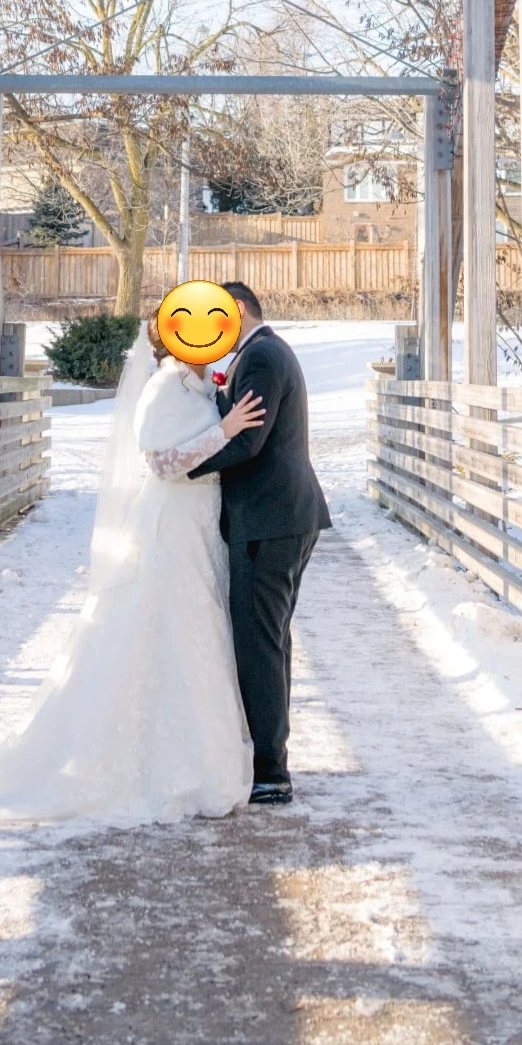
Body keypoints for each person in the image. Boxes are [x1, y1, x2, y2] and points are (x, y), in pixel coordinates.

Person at [0, 315, 267, 824]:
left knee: (197, 633)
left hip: (200, 524)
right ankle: (160, 768)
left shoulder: (201, 385)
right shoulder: (163, 389)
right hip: (170, 525)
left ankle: (198, 759)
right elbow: (162, 463)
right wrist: (224, 431)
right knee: (169, 628)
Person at [187, 282, 332, 805]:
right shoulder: (262, 353)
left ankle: (271, 772)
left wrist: (182, 465)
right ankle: (269, 760)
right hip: (278, 516)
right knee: (270, 640)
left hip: (268, 520)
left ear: (238, 310)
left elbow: (249, 441)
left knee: (259, 645)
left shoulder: (262, 357)